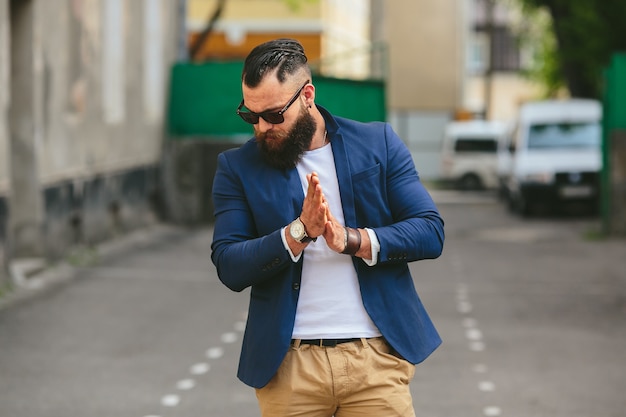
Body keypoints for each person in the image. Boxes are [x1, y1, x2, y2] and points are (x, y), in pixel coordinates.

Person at [211, 38, 445, 417]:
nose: (261, 128)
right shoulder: (237, 167)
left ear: (307, 95)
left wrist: (353, 240)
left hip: (376, 359)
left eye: (273, 115)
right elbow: (229, 264)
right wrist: (298, 233)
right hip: (288, 366)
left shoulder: (378, 143)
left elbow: (430, 231)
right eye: (250, 116)